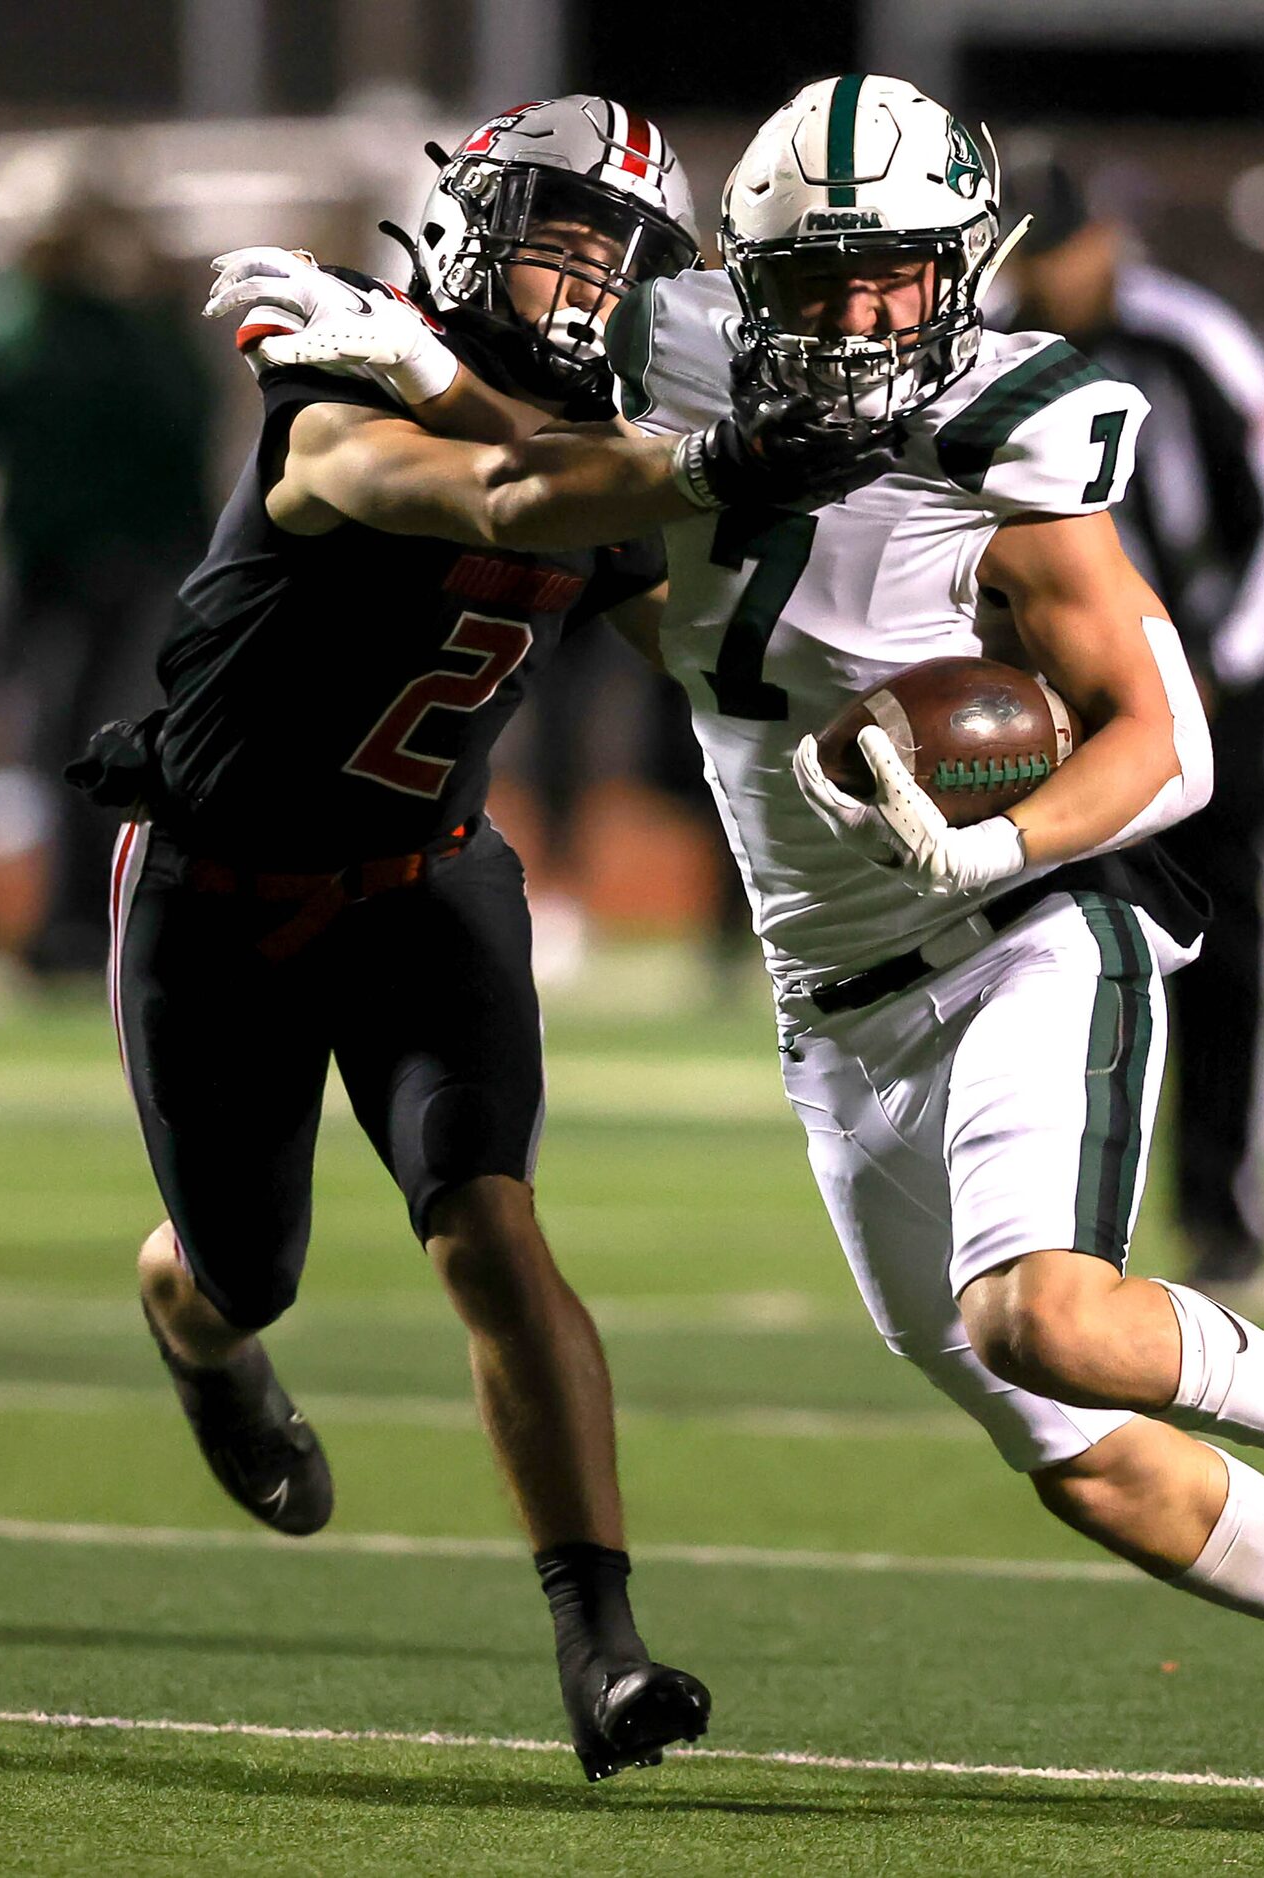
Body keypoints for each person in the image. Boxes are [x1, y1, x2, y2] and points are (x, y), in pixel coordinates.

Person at [225, 73, 1264, 1829]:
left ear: (963, 270)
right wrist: (412, 366)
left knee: (1043, 1309)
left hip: (1017, 929)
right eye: (827, 278)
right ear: (742, 273)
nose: (864, 320)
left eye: (900, 278)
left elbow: (1166, 732)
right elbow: (572, 482)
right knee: (1081, 1466)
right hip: (830, 1004)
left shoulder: (1015, 429)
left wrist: (994, 837)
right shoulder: (674, 356)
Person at [81, 95, 880, 1784]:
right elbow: (508, 495)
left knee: (494, 1232)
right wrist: (708, 455)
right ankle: (188, 1315)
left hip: (427, 882)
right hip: (217, 898)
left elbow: (698, 633)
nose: (584, 269)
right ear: (464, 223)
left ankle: (604, 1651)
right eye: (558, 225)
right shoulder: (337, 384)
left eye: (616, 245)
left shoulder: (584, 425)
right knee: (245, 1269)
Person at [992, 147, 1264, 1308]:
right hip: (1047, 702)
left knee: (1225, 949)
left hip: (1201, 697)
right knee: (1045, 950)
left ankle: (1223, 1211)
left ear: (1104, 241)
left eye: (1060, 252)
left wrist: (1225, 661)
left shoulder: (1190, 337)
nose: (1045, 276)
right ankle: (1046, 1228)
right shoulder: (986, 347)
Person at [0, 143, 213, 977]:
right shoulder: (2, 326)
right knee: (51, 736)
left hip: (140, 562)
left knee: (111, 735)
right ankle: (77, 917)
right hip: (46, 566)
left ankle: (106, 917)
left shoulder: (134, 328)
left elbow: (187, 431)